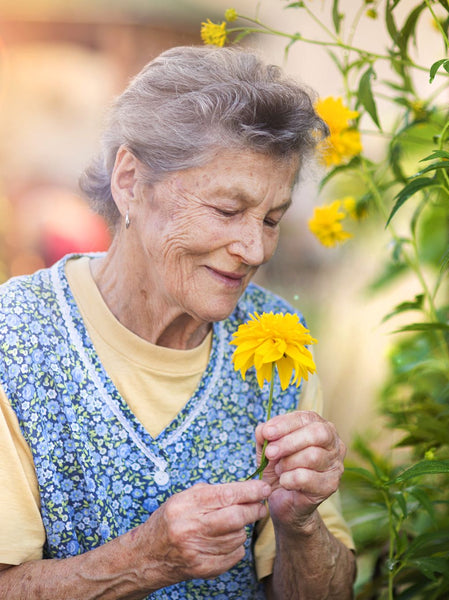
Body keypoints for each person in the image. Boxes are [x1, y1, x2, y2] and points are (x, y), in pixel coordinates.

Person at [0, 46, 356, 598]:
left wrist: (301, 525)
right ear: (130, 183)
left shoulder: (278, 342)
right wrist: (145, 561)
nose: (254, 247)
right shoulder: (15, 336)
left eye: (272, 218)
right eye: (227, 210)